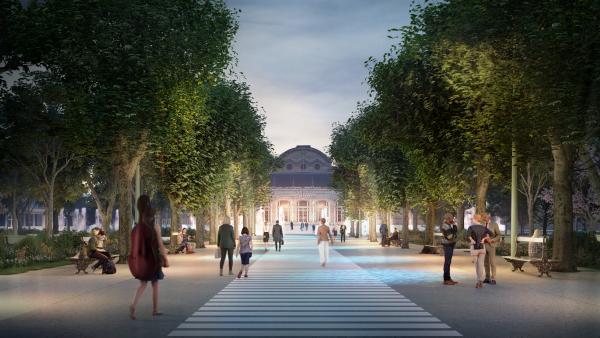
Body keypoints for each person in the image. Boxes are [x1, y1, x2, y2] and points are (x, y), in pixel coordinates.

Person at [129, 195, 169, 320]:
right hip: (153, 261)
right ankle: (155, 309)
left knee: (143, 284)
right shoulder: (154, 227)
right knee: (155, 283)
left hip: (142, 261)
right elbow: (161, 246)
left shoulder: (137, 227)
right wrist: (165, 258)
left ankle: (133, 305)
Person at [468, 214, 492, 289]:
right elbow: (491, 234)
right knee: (481, 265)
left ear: (475, 219)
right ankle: (480, 281)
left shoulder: (471, 227)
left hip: (474, 248)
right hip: (482, 248)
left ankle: (478, 281)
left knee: (477, 266)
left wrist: (472, 240)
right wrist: (484, 239)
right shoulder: (483, 227)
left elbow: (468, 236)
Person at [441, 213, 459, 285]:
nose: (453, 219)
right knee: (447, 262)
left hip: (450, 244)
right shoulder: (445, 226)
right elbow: (450, 237)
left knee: (448, 262)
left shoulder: (448, 225)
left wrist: (454, 225)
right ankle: (446, 279)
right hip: (447, 245)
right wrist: (454, 233)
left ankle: (448, 278)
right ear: (448, 219)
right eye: (452, 218)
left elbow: (454, 232)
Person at [483, 214, 501, 285]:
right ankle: (487, 278)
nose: (484, 218)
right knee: (485, 262)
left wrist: (493, 240)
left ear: (489, 217)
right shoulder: (482, 224)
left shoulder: (494, 224)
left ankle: (493, 278)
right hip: (483, 245)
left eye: (485, 217)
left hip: (491, 245)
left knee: (492, 262)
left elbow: (499, 235)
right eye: (483, 217)